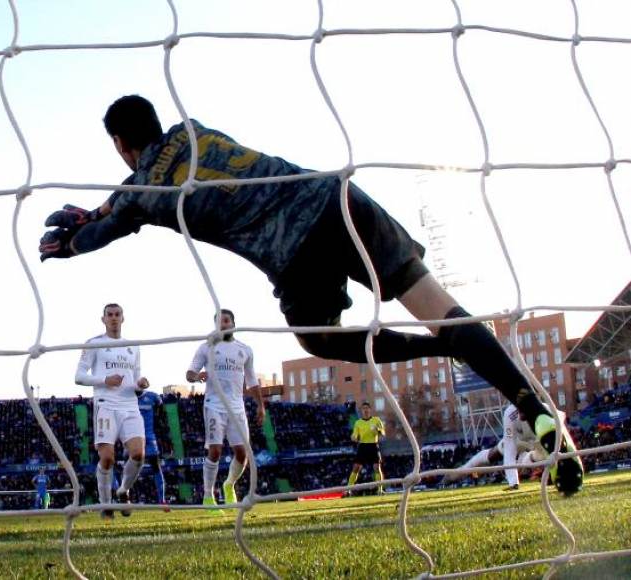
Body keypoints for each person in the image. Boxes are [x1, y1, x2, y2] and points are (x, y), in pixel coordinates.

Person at [39, 94, 583, 495]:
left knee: (321, 339)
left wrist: (70, 240)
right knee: (444, 309)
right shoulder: (189, 128)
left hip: (294, 251)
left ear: (118, 144)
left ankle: (440, 348)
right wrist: (101, 209)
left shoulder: (141, 193)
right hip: (335, 195)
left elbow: (103, 226)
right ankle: (534, 408)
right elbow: (129, 190)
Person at [76, 303, 149, 519]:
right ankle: (105, 504)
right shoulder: (94, 344)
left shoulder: (133, 346)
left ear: (123, 318)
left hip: (129, 406)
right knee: (107, 458)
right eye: (110, 315)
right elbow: (78, 376)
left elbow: (135, 381)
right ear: (103, 319)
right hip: (106, 404)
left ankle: (123, 491)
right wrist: (104, 379)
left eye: (117, 315)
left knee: (138, 454)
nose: (114, 318)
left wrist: (140, 384)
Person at [186, 309, 265, 510]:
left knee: (242, 454)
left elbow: (252, 380)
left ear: (233, 323)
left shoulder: (245, 350)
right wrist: (196, 377)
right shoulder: (207, 348)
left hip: (237, 407)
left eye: (226, 320)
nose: (223, 324)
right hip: (214, 405)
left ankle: (229, 484)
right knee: (215, 451)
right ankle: (208, 496)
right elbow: (189, 373)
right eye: (219, 322)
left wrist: (260, 405)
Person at [445, 404, 547, 490]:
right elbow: (509, 449)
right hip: (518, 440)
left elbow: (559, 441)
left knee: (540, 457)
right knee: (494, 454)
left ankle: (531, 459)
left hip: (541, 442)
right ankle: (460, 472)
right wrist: (513, 483)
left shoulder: (546, 411)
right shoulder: (511, 413)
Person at [137, 388, 167, 508]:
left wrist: (159, 418)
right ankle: (124, 498)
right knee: (128, 467)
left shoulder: (152, 396)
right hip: (133, 437)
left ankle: (162, 500)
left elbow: (160, 405)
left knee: (156, 466)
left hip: (149, 437)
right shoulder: (127, 397)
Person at [346, 402, 385, 496]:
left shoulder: (376, 420)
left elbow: (383, 433)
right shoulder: (358, 423)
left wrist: (378, 430)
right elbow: (354, 435)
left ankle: (380, 489)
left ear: (370, 410)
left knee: (377, 467)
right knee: (356, 468)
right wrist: (354, 437)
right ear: (361, 411)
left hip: (373, 445)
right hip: (363, 446)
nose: (365, 410)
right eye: (363, 408)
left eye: (367, 408)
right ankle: (348, 489)